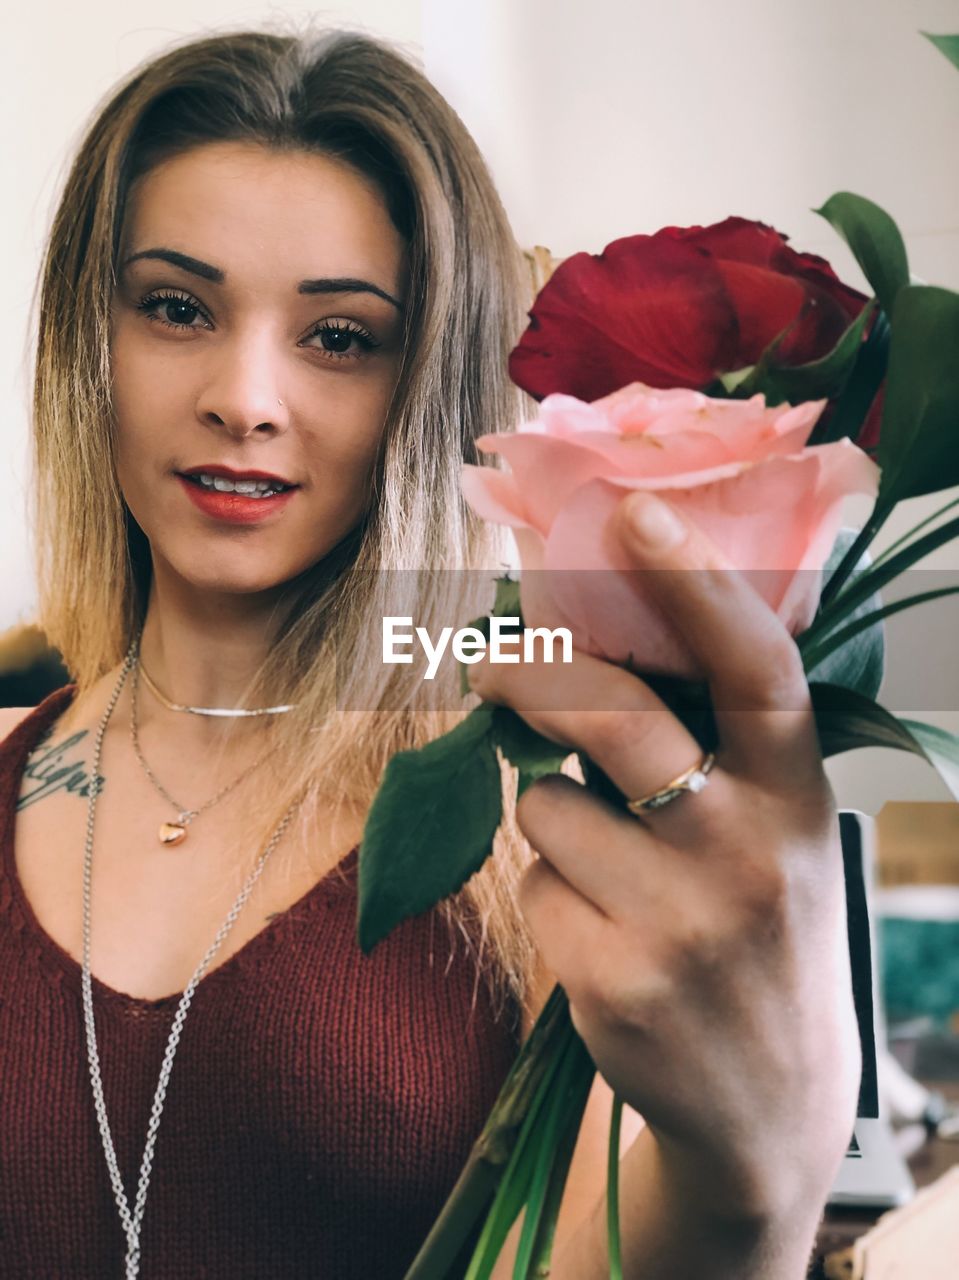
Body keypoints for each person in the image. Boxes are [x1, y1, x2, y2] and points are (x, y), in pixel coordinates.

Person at [0, 25, 861, 1280]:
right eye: (176, 307)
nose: (245, 395)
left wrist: (757, 1180)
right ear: (96, 340)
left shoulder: (544, 831)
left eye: (340, 336)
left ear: (426, 384)